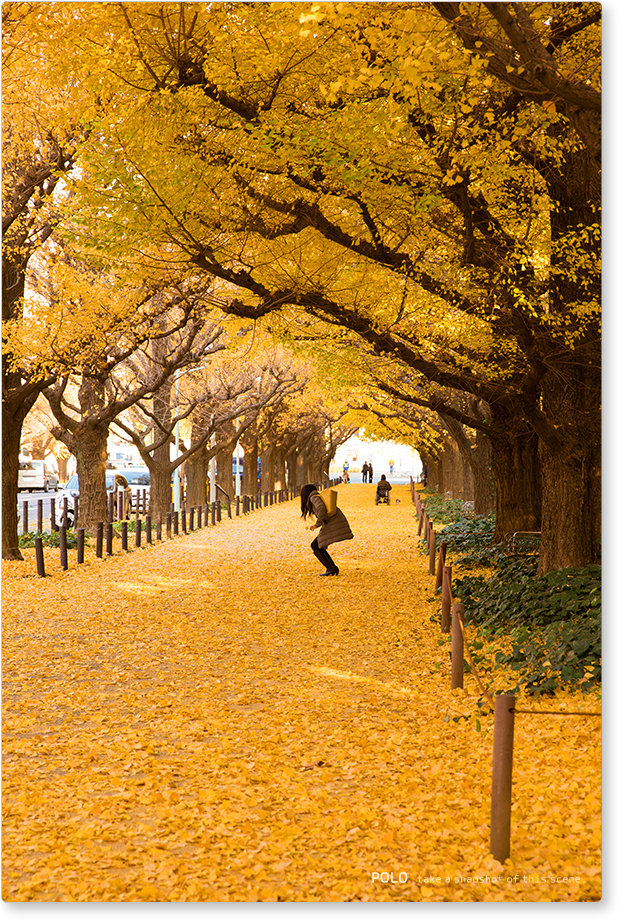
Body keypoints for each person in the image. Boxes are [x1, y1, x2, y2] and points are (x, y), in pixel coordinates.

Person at [300, 484, 354, 576]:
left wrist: (316, 524)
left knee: (315, 545)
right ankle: (331, 568)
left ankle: (331, 568)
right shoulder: (316, 496)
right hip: (333, 522)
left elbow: (322, 508)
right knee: (318, 545)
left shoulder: (313, 497)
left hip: (333, 523)